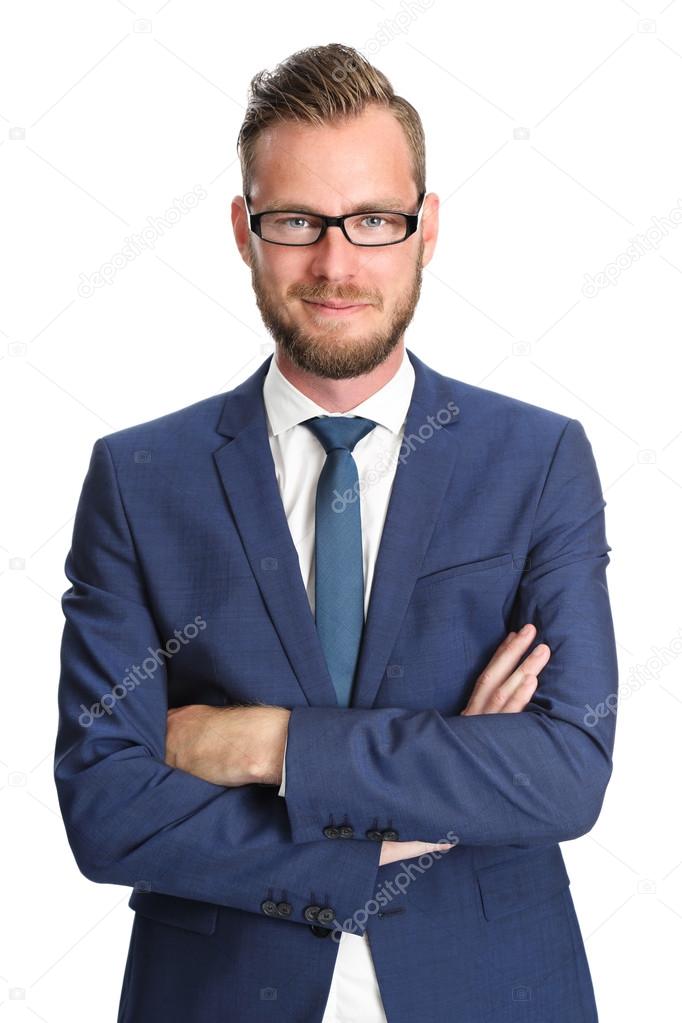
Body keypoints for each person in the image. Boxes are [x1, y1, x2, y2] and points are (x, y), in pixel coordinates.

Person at [54, 42, 618, 1023]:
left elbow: (565, 775)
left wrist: (268, 745)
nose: (335, 262)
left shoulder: (536, 460)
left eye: (372, 219)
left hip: (491, 990)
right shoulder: (140, 477)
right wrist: (409, 813)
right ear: (243, 229)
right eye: (294, 222)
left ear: (425, 228)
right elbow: (107, 814)